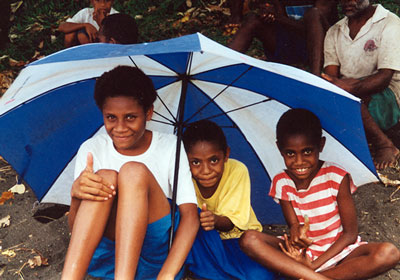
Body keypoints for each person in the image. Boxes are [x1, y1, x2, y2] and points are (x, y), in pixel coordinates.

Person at [61, 66, 199, 279]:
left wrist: (168, 275)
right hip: (107, 254)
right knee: (105, 176)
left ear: (148, 113)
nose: (120, 128)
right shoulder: (92, 149)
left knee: (133, 172)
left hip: (154, 255)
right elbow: (76, 229)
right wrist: (75, 194)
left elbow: (190, 217)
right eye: (111, 118)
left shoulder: (170, 146)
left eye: (130, 117)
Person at [240, 108, 400, 279]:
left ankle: (310, 276)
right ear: (279, 148)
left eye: (307, 151)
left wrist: (312, 266)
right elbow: (294, 226)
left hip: (340, 251)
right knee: (249, 239)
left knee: (389, 253)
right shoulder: (281, 182)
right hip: (304, 252)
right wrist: (297, 237)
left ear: (321, 145)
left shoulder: (336, 176)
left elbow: (350, 234)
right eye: (290, 153)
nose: (299, 161)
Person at [182, 120, 329, 280]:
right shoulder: (181, 175)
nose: (206, 170)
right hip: (207, 243)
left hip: (237, 239)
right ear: (185, 160)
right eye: (195, 162)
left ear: (226, 155)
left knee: (259, 275)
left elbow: (229, 224)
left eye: (214, 160)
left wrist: (214, 220)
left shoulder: (236, 170)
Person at [322, 0, 400, 170]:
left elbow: (385, 77)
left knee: (350, 101)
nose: (348, 2)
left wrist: (350, 88)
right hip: (346, 89)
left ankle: (384, 144)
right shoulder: (335, 31)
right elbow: (331, 75)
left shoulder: (389, 23)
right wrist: (340, 86)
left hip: (387, 92)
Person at [229, 0, 338, 76]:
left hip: (319, 48)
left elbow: (316, 30)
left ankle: (315, 77)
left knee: (313, 14)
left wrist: (278, 17)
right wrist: (269, 15)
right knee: (253, 20)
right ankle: (223, 63)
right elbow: (282, 23)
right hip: (291, 45)